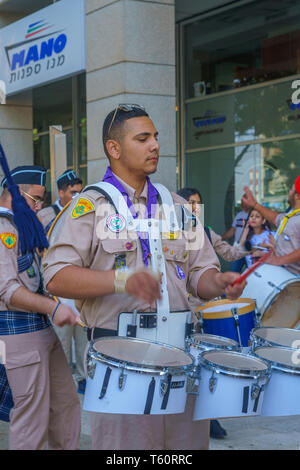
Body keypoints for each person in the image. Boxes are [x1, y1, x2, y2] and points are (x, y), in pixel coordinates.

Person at [42, 104, 246, 451]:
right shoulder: (89, 205)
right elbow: (56, 277)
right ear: (114, 148)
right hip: (120, 357)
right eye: (143, 138)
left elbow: (200, 274)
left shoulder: (180, 207)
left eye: (156, 137)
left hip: (181, 354)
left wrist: (219, 283)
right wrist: (122, 281)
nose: (154, 145)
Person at [0, 164, 81, 450]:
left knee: (66, 406)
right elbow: (8, 290)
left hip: (42, 329)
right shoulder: (2, 229)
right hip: (18, 332)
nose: (38, 207)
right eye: (35, 199)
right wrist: (52, 307)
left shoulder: (21, 226)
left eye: (41, 200)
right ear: (14, 194)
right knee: (31, 418)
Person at [177, 187, 249, 440]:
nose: (194, 208)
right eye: (189, 203)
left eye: (197, 203)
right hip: (190, 309)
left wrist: (250, 246)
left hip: (212, 307)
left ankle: (211, 415)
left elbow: (229, 253)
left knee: (211, 361)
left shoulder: (206, 232)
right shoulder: (174, 233)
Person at [38, 170, 86, 394]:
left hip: (79, 284)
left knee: (83, 336)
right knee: (62, 338)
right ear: (61, 192)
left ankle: (86, 378)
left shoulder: (85, 212)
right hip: (57, 286)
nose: (78, 196)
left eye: (80, 191)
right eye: (73, 192)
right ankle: (64, 381)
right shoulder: (46, 214)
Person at [242, 176, 300, 276]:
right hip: (283, 274)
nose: (289, 192)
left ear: (297, 196)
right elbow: (275, 218)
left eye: (291, 189)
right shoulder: (292, 214)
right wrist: (255, 204)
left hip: (294, 279)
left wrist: (279, 260)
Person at [222, 200, 250, 272]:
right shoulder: (239, 215)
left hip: (250, 249)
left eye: (245, 202)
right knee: (233, 271)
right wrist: (220, 238)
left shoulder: (254, 215)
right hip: (238, 248)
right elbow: (233, 230)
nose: (242, 205)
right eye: (242, 202)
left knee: (251, 273)